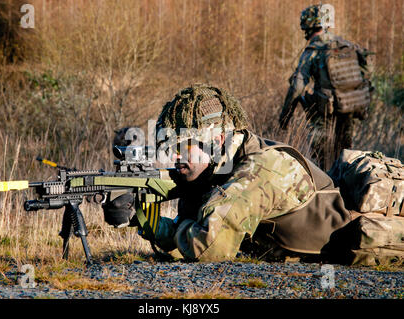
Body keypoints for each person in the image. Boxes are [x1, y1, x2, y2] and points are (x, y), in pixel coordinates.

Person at [102, 83, 356, 263]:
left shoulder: (259, 171)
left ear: (217, 140)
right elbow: (187, 238)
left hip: (363, 248)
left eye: (183, 146)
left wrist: (158, 226)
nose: (175, 156)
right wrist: (140, 214)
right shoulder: (217, 167)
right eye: (171, 147)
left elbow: (208, 248)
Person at [279, 4, 372, 171]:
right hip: (348, 108)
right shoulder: (346, 45)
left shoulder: (313, 50)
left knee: (321, 161)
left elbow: (297, 86)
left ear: (307, 26)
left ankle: (326, 188)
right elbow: (367, 71)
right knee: (345, 156)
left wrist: (285, 116)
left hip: (323, 115)